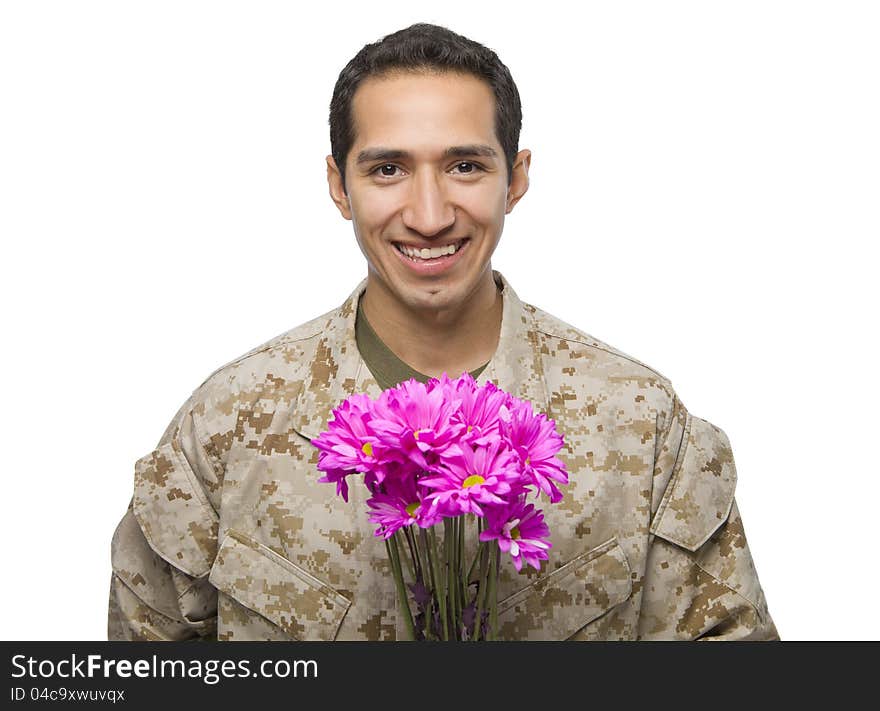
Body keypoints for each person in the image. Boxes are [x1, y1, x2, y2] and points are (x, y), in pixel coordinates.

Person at [108, 22, 779, 641]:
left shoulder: (644, 425)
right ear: (339, 186)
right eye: (387, 169)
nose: (429, 215)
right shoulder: (227, 424)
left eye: (465, 166)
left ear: (514, 180)